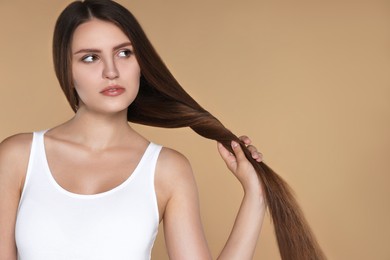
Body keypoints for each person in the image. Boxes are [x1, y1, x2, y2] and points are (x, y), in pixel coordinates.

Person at [0, 1, 266, 259]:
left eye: (124, 53)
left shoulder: (167, 170)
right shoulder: (18, 157)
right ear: (67, 70)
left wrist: (255, 195)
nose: (111, 71)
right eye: (90, 58)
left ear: (141, 63)